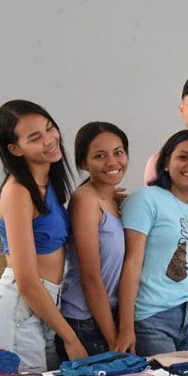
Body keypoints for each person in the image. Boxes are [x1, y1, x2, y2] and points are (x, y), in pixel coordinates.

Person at [0, 100, 87, 371]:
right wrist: (70, 338)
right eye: (35, 137)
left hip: (41, 309)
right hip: (17, 310)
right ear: (14, 149)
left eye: (50, 129)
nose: (49, 140)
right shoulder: (18, 192)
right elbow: (26, 281)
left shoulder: (47, 184)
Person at [116, 130, 188, 356]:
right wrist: (126, 326)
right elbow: (131, 265)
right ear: (167, 163)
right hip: (152, 319)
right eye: (183, 157)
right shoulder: (146, 198)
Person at [58, 122, 129, 356]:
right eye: (100, 156)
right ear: (83, 162)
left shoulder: (113, 199)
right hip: (85, 321)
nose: (112, 162)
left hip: (107, 314)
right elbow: (90, 277)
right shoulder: (85, 200)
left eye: (118, 152)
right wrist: (114, 340)